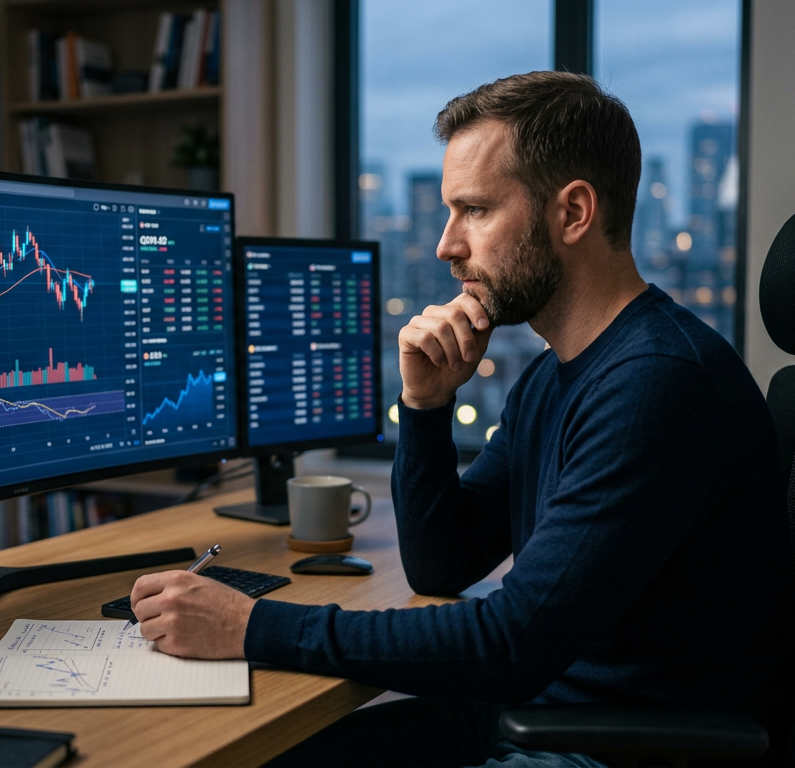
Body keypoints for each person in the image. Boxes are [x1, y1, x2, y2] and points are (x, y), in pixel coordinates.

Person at [130, 72, 794, 766]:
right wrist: (425, 406)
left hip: (613, 748)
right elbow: (444, 564)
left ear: (573, 214)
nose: (447, 245)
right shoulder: (553, 374)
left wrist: (251, 624)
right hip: (541, 714)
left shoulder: (659, 384)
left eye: (473, 210)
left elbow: (509, 644)